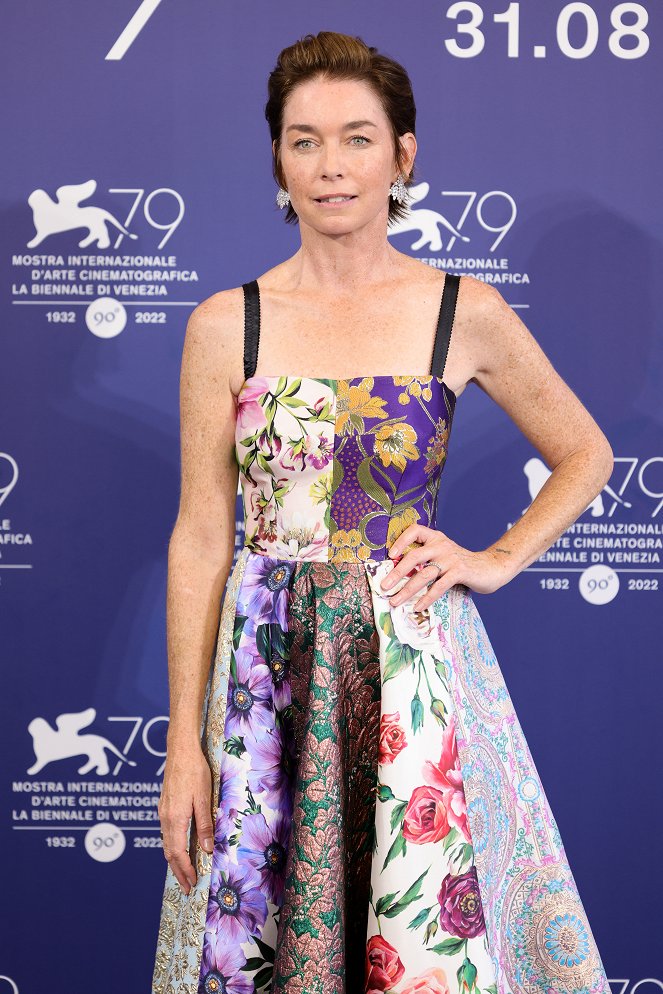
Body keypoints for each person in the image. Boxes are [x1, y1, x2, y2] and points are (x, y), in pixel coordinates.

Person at [152, 30, 613, 994]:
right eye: (304, 140)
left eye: (357, 138)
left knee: (417, 939)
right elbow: (202, 533)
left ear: (404, 155)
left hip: (410, 665)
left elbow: (584, 454)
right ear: (277, 159)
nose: (331, 167)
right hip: (263, 672)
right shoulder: (221, 324)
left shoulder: (461, 310)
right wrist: (184, 743)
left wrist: (491, 557)